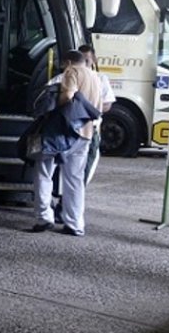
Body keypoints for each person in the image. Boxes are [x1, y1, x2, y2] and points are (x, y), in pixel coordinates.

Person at [30, 50, 102, 237]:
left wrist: (57, 104)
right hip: (85, 133)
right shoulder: (96, 77)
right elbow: (98, 108)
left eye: (62, 64)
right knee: (74, 179)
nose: (61, 68)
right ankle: (75, 223)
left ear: (69, 62)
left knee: (44, 171)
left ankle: (44, 217)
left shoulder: (72, 72)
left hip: (63, 131)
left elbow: (68, 95)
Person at [78, 44, 115, 184]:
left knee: (86, 166)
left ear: (93, 60)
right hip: (71, 128)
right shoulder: (70, 76)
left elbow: (107, 104)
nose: (85, 64)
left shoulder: (100, 78)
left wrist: (91, 109)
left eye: (87, 60)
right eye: (82, 60)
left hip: (91, 128)